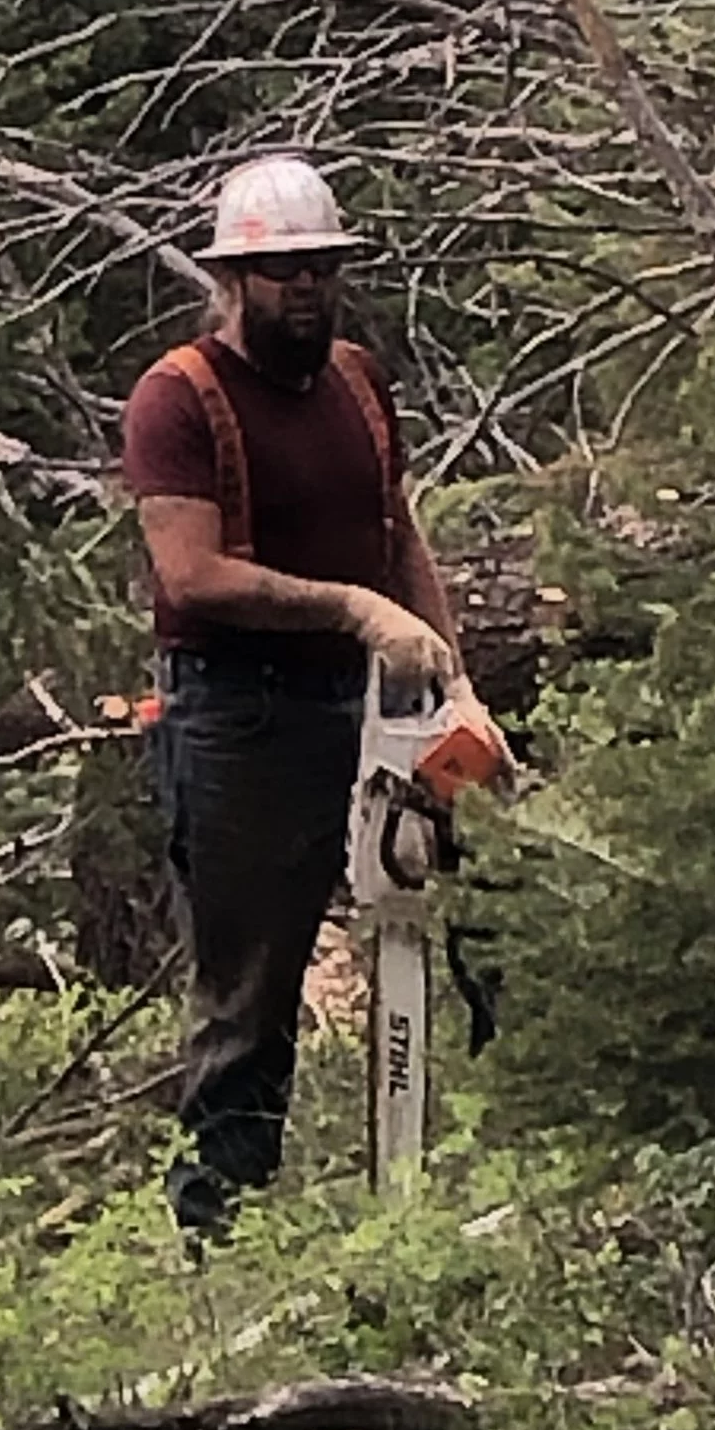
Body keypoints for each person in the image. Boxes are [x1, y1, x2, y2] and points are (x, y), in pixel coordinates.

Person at [121, 154, 498, 1232]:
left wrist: (455, 681)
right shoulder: (178, 397)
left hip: (367, 704)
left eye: (320, 268)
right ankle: (217, 1230)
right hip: (237, 712)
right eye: (282, 271)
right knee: (251, 987)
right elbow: (191, 573)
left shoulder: (357, 381)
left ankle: (443, 1187)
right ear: (234, 277)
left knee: (459, 920)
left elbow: (399, 527)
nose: (305, 289)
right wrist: (353, 610)